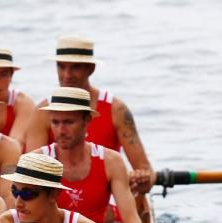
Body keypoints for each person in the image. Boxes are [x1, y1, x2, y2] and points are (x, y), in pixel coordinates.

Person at [25, 36, 155, 196]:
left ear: (90, 69)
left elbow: (146, 170)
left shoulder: (116, 110)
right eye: (61, 67)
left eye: (75, 67)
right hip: (58, 201)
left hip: (109, 200)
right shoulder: (42, 112)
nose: (67, 75)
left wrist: (143, 179)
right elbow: (32, 174)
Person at [35, 86, 145, 223]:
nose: (61, 130)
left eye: (68, 122)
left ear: (87, 121)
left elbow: (133, 222)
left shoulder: (111, 161)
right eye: (55, 122)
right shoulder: (37, 161)